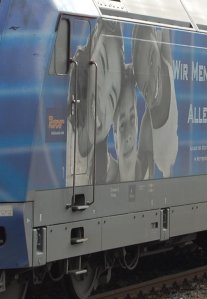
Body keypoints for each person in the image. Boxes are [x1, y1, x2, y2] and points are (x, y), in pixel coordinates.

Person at [69, 20, 124, 185]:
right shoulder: (59, 133)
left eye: (112, 98)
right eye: (102, 67)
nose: (101, 102)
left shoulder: (109, 169)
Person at [131, 25, 178, 178]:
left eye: (151, 60)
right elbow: (142, 173)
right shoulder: (147, 128)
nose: (151, 84)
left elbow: (164, 20)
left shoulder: (165, 63)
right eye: (144, 87)